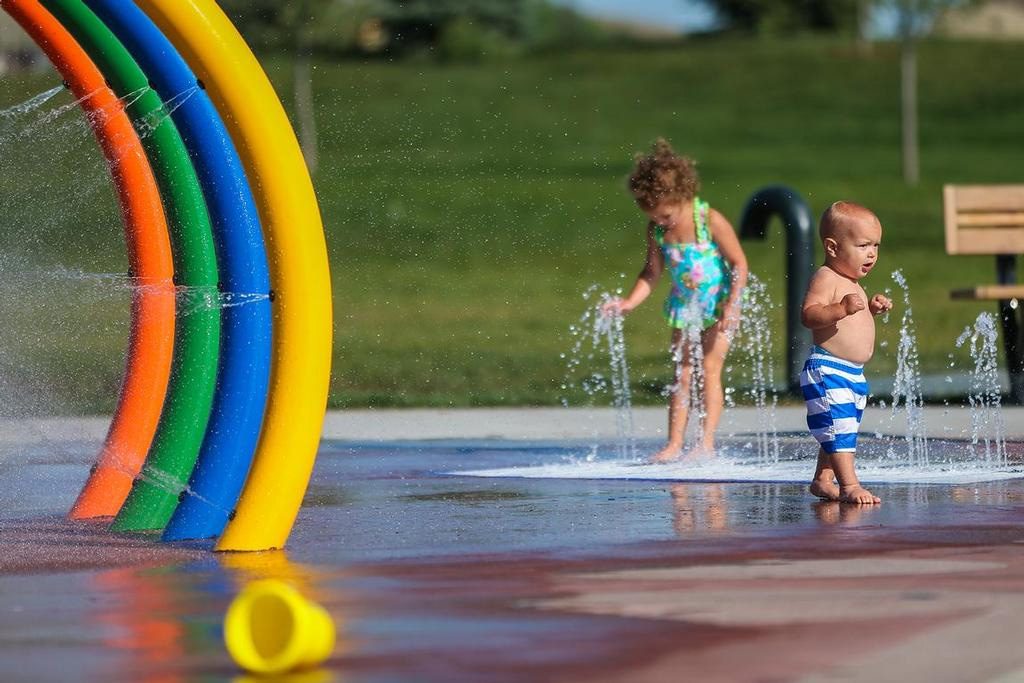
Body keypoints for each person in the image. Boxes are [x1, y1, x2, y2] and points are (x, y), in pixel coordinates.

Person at [603, 139, 748, 462]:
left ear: (682, 196)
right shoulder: (656, 229)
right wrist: (629, 302)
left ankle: (705, 442)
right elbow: (651, 272)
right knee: (682, 373)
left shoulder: (707, 219)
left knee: (709, 369)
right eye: (653, 216)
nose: (661, 221)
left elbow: (739, 263)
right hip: (685, 307)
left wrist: (732, 304)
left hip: (719, 303)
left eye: (665, 214)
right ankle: (673, 444)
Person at [800, 201, 892, 505]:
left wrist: (872, 311)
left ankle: (823, 479)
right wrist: (840, 309)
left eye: (876, 246)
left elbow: (852, 325)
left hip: (852, 372)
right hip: (828, 369)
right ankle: (850, 484)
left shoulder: (854, 284)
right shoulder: (826, 277)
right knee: (839, 429)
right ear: (832, 247)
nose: (872, 254)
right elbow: (810, 315)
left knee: (841, 426)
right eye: (863, 245)